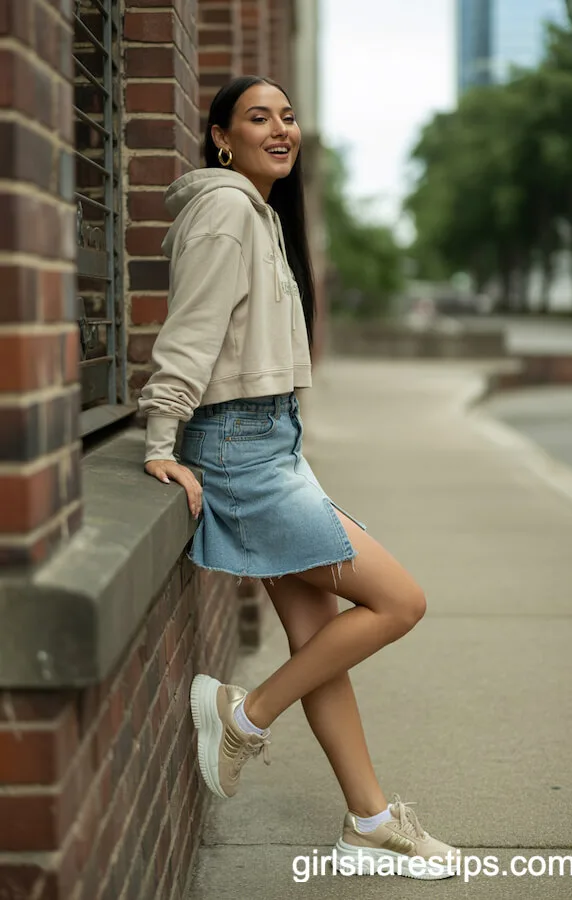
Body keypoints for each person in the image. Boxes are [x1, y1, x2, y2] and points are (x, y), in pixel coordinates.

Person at [139, 75, 458, 880]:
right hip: (239, 451)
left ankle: (370, 820)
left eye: (287, 116)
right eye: (257, 118)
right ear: (219, 135)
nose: (280, 128)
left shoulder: (259, 213)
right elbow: (192, 333)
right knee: (400, 600)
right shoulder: (223, 209)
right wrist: (158, 436)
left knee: (319, 640)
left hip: (269, 441)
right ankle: (243, 715)